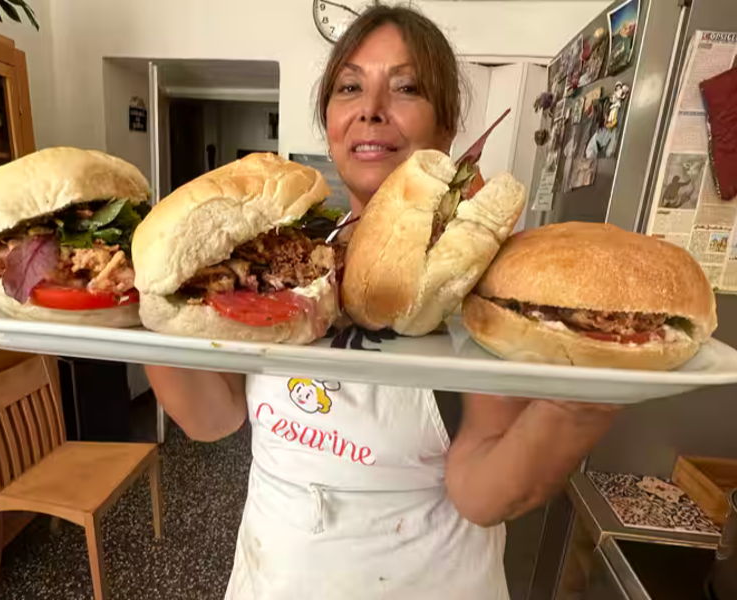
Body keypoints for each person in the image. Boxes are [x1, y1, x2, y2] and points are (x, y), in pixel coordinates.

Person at [145, 6, 619, 599]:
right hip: (276, 570)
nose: (370, 108)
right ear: (330, 122)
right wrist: (148, 302)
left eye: (406, 87)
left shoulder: (477, 274)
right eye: (349, 87)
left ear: (445, 131)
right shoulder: (293, 253)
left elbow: (481, 492)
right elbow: (212, 418)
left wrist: (582, 405)